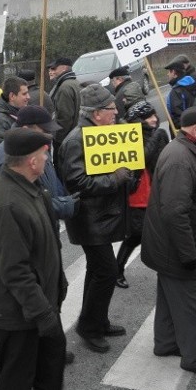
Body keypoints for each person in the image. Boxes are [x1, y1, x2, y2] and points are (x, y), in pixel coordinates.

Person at [0, 128, 84, 390]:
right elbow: (14, 270)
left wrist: (58, 284)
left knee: (50, 356)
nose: (46, 159)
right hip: (17, 307)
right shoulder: (6, 203)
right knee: (18, 367)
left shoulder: (31, 188)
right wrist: (41, 310)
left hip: (42, 297)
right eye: (43, 154)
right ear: (31, 160)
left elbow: (46, 243)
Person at [142, 106, 196, 376]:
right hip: (175, 248)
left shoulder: (187, 151)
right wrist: (189, 253)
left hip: (169, 246)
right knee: (189, 303)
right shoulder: (180, 159)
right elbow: (175, 213)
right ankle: (193, 356)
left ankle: (165, 342)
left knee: (169, 294)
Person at [59, 83, 133, 353]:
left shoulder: (104, 133)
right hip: (89, 219)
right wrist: (115, 179)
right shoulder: (76, 140)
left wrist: (127, 173)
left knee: (98, 270)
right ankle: (88, 327)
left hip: (102, 216)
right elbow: (76, 182)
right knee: (107, 271)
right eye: (111, 109)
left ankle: (97, 321)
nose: (116, 113)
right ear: (96, 113)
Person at [0, 105, 78, 222]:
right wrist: (64, 205)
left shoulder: (37, 144)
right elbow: (21, 205)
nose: (49, 135)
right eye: (44, 130)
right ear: (26, 129)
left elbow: (50, 178)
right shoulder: (9, 158)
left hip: (46, 222)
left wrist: (65, 197)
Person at [115, 101, 169, 289]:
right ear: (139, 120)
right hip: (137, 192)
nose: (155, 119)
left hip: (154, 190)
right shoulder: (128, 135)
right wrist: (159, 136)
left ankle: (164, 270)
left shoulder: (154, 134)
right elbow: (141, 157)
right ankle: (117, 269)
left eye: (155, 115)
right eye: (149, 117)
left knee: (156, 233)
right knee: (135, 235)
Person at [47, 57, 81, 164]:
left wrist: (58, 141)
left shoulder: (65, 87)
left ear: (64, 68)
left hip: (66, 140)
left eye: (54, 68)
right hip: (74, 137)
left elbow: (64, 118)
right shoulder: (74, 83)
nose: (51, 71)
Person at [0, 76, 29, 154]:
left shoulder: (23, 113)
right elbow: (2, 152)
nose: (28, 97)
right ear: (12, 96)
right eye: (24, 94)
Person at [163, 56, 196, 128]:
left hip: (184, 131)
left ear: (175, 74)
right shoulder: (192, 83)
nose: (168, 74)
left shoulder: (176, 92)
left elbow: (177, 117)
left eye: (170, 71)